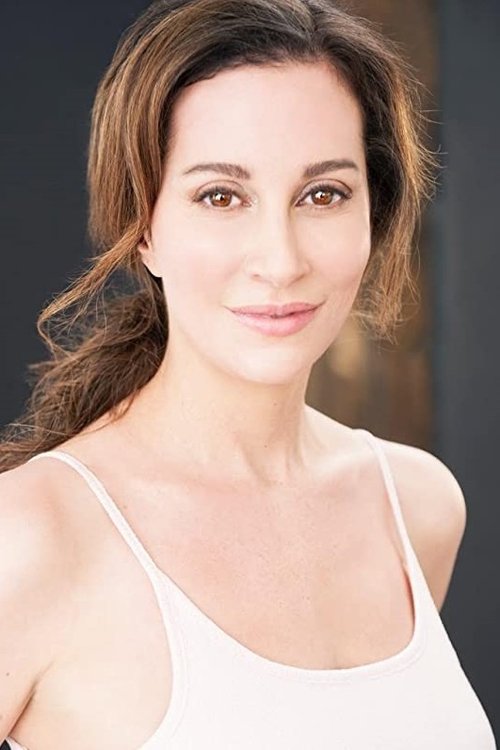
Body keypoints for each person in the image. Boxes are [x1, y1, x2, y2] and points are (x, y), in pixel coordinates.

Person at [0, 0, 496, 748]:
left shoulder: (418, 507)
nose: (281, 259)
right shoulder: (31, 537)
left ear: (374, 215)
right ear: (144, 229)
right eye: (221, 196)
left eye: (323, 194)